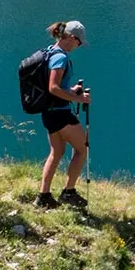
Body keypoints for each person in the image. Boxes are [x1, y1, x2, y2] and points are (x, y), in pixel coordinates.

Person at [35, 20, 91, 209]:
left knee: (57, 152)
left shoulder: (50, 51)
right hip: (60, 114)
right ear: (72, 38)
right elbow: (53, 87)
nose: (79, 46)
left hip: (49, 113)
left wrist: (72, 90)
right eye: (79, 42)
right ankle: (69, 192)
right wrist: (80, 99)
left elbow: (58, 87)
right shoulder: (61, 58)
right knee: (82, 148)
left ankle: (43, 196)